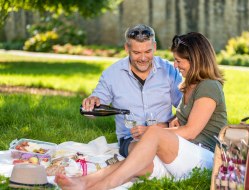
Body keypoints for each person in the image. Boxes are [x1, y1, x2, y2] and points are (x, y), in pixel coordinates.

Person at [55, 32, 227, 190]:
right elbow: (185, 121)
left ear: (195, 60)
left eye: (179, 61)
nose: (175, 65)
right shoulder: (190, 85)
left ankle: (102, 187)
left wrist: (155, 132)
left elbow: (190, 131)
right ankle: (85, 181)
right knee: (139, 163)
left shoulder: (209, 86)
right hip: (183, 158)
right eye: (174, 60)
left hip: (205, 159)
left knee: (153, 133)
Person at [82, 24, 182, 157]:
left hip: (166, 133)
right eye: (136, 53)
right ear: (126, 48)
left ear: (155, 47)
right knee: (144, 153)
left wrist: (164, 126)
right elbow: (93, 111)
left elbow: (185, 107)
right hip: (130, 140)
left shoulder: (170, 71)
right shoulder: (111, 74)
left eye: (148, 51)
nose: (143, 58)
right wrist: (90, 103)